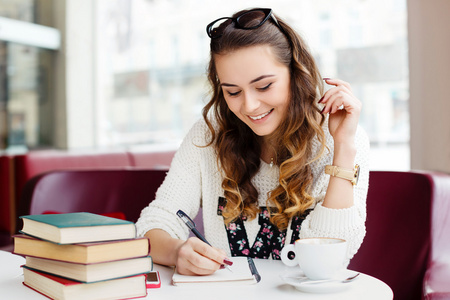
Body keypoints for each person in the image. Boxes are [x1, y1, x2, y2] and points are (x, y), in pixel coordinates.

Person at [136, 8, 369, 276]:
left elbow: (335, 256)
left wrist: (344, 147)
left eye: (264, 86)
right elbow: (154, 224)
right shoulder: (207, 135)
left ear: (295, 73)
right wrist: (177, 252)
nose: (249, 105)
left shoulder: (342, 139)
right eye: (232, 92)